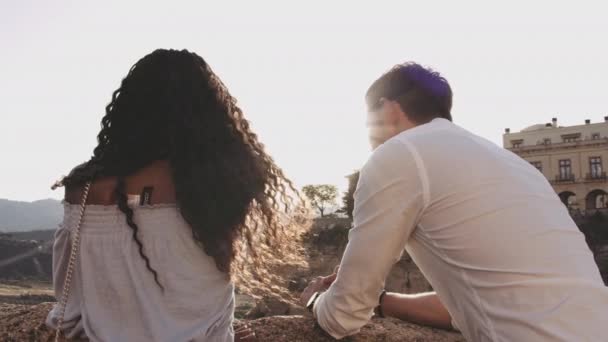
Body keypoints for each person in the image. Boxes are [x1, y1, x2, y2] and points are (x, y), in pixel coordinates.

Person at [300, 62, 608, 341]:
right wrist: (381, 301)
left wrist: (317, 299)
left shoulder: (398, 154)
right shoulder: (514, 165)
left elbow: (342, 317)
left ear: (387, 108)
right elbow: (480, 302)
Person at [46, 49, 303, 342]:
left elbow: (68, 302)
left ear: (129, 109)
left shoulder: (84, 186)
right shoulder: (217, 184)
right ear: (208, 111)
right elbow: (205, 292)